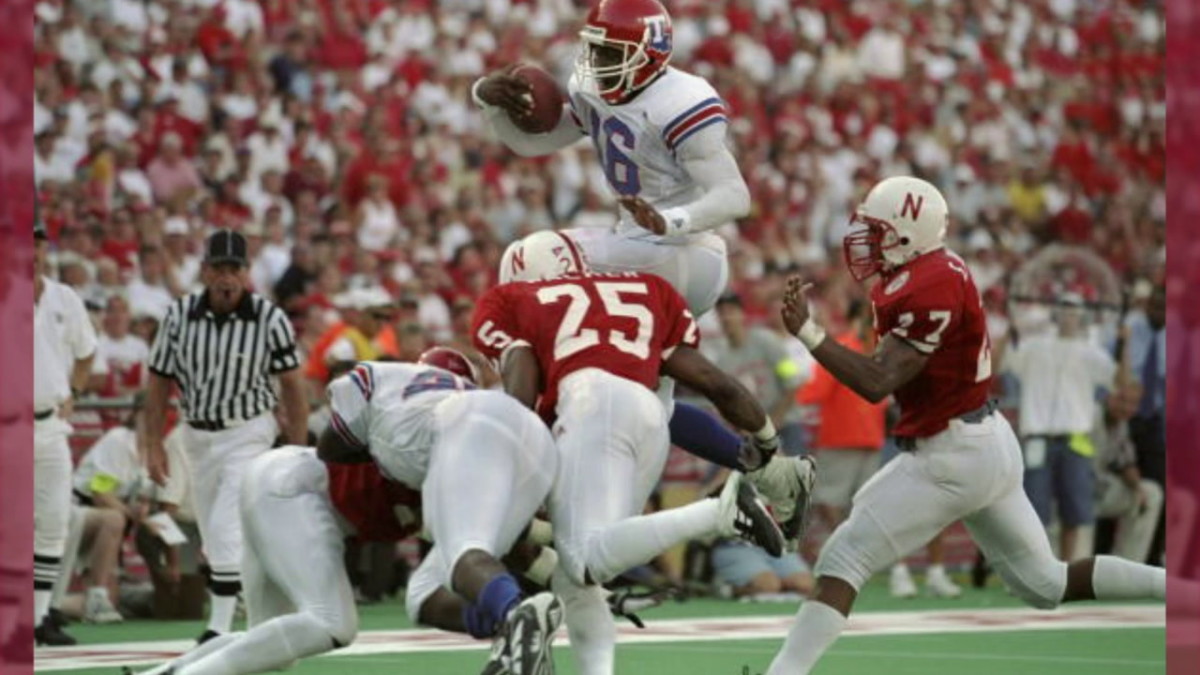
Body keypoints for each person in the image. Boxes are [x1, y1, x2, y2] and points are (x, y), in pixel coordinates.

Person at [766, 176, 1165, 674]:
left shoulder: (927, 285)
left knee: (842, 560)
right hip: (984, 440)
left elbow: (878, 381)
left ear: (908, 233)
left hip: (952, 454)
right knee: (1046, 584)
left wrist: (809, 333)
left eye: (878, 231)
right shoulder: (935, 268)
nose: (867, 242)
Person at [472, 0, 812, 536]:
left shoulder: (681, 99)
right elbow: (536, 142)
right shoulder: (594, 88)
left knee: (530, 258)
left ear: (650, 53)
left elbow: (734, 195)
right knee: (640, 401)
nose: (597, 60)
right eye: (595, 47)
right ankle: (770, 470)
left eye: (612, 51)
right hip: (637, 250)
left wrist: (671, 219)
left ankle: (527, 418)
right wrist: (489, 104)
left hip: (685, 252)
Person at [472, 231, 790, 675]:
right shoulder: (648, 288)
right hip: (650, 417)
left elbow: (522, 380)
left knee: (583, 558)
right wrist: (765, 439)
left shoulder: (515, 300)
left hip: (590, 405)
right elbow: (711, 381)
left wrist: (509, 454)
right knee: (580, 575)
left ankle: (719, 511)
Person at [317, 348, 564, 675]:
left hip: (465, 425)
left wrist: (375, 450)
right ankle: (513, 641)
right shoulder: (460, 396)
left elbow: (328, 447)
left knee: (464, 552)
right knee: (423, 594)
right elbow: (518, 545)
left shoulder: (379, 378)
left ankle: (516, 614)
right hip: (535, 438)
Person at [144, 230, 309, 643]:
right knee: (213, 527)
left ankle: (217, 627)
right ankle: (263, 611)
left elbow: (292, 384)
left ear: (247, 273)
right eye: (219, 268)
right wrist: (151, 444)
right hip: (196, 435)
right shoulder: (178, 316)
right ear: (205, 270)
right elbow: (158, 381)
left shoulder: (269, 318)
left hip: (248, 430)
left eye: (234, 269)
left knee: (224, 527)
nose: (227, 277)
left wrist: (297, 446)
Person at [125, 448, 423, 675]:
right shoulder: (438, 454)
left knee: (269, 646)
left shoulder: (427, 439)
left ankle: (164, 672)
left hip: (279, 476)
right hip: (295, 489)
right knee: (332, 624)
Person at [1000, 293, 1118, 561]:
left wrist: (1124, 341)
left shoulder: (1091, 353)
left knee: (1073, 511)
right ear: (1056, 313)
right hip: (1037, 437)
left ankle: (1064, 569)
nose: (1069, 315)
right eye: (1064, 308)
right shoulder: (1034, 347)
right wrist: (1011, 331)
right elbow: (1001, 365)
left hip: (1075, 437)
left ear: (1082, 315)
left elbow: (1118, 382)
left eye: (1074, 310)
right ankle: (1035, 569)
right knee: (1033, 510)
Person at [33, 222, 97, 646]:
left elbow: (87, 352)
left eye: (36, 244)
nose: (31, 252)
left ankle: (38, 618)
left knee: (55, 521)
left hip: (49, 422)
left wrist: (73, 390)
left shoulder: (63, 297)